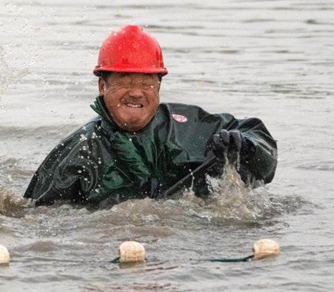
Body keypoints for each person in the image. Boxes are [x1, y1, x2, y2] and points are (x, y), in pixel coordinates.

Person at [24, 25, 278, 208]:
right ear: (102, 86)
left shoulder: (189, 126)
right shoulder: (76, 153)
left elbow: (264, 157)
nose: (136, 93)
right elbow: (39, 217)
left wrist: (247, 146)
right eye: (125, 81)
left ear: (159, 86)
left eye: (146, 83)